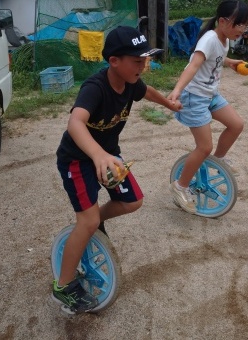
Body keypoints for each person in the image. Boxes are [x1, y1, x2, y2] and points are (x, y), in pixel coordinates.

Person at [52, 25, 182, 313]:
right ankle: (63, 286)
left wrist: (169, 104)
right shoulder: (95, 88)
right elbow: (75, 122)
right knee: (85, 223)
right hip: (78, 159)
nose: (144, 66)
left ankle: (93, 222)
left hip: (108, 156)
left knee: (132, 201)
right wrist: (97, 154)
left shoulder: (132, 83)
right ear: (114, 61)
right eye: (138, 61)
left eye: (146, 59)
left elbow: (147, 92)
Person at [167, 0, 248, 214]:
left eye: (245, 23)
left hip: (210, 95)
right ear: (222, 21)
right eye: (238, 23)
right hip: (193, 96)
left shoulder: (225, 39)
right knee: (204, 146)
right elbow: (193, 66)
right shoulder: (209, 39)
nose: (242, 28)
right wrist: (177, 91)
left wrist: (230, 62)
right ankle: (180, 186)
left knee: (236, 124)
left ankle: (218, 160)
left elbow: (217, 58)